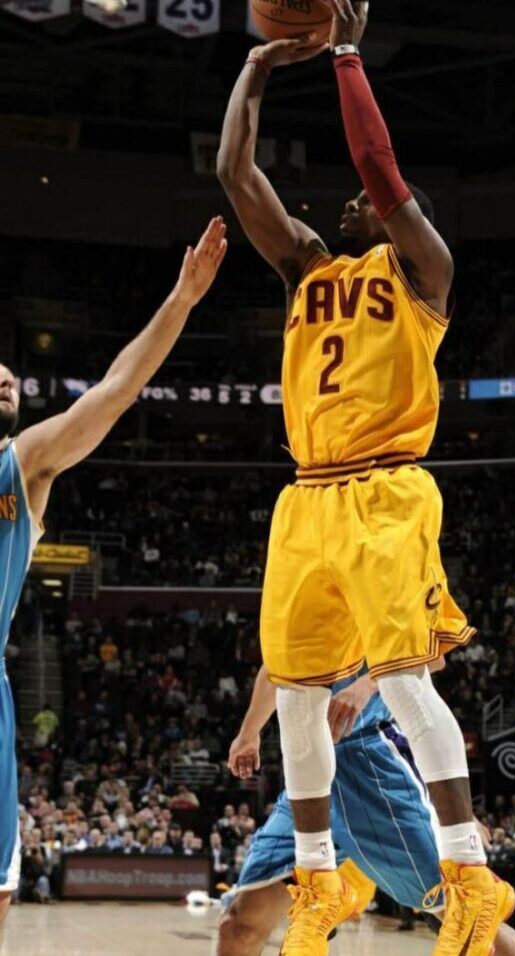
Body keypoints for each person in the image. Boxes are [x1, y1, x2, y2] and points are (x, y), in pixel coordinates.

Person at [217, 3, 513, 954]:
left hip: (386, 487)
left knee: (402, 678)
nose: (355, 200)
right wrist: (256, 72)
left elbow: (379, 169)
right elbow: (234, 174)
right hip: (305, 495)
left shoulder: (424, 271)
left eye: (378, 201)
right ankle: (316, 883)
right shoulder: (307, 267)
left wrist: (344, 54)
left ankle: (468, 875)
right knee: (299, 691)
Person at [0, 217, 228, 943]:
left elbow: (117, 389)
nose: (5, 378)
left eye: (8, 374)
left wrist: (181, 302)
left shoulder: (21, 463)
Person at [219, 663, 515, 956]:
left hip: (371, 760)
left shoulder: (380, 602)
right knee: (239, 922)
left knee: (464, 908)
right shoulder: (286, 604)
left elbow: (430, 654)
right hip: (309, 768)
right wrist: (250, 731)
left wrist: (366, 685)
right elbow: (275, 661)